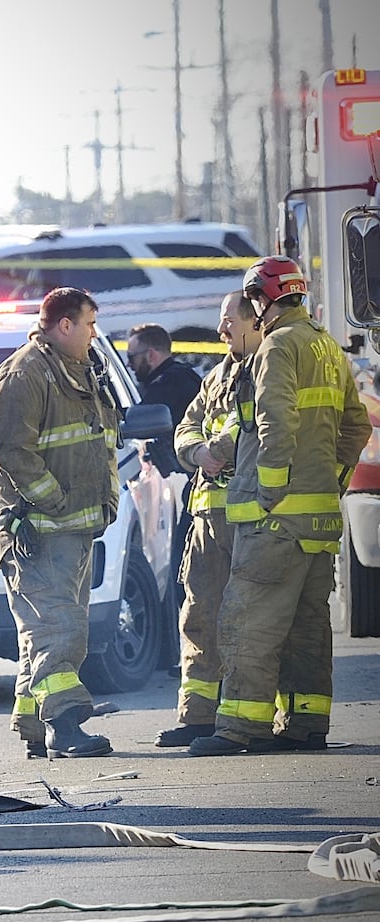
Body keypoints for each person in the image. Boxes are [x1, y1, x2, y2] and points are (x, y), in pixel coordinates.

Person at [189, 257, 369, 756]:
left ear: (261, 300)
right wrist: (331, 481)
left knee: (249, 619)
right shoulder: (328, 346)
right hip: (318, 518)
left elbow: (275, 423)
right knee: (308, 626)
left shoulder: (277, 346)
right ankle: (307, 724)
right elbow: (357, 427)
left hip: (276, 521)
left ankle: (237, 728)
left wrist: (268, 495)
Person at [0, 286, 118, 759]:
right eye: (89, 324)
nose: (93, 335)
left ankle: (32, 723)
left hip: (71, 531)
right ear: (64, 325)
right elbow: (11, 449)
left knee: (44, 630)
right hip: (37, 534)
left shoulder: (74, 370)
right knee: (57, 628)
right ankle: (65, 726)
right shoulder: (26, 373)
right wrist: (54, 502)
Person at [156, 292, 259, 746]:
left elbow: (257, 429)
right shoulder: (216, 376)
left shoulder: (267, 370)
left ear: (254, 322)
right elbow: (186, 426)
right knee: (198, 615)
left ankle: (244, 719)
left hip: (248, 518)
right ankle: (198, 716)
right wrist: (196, 451)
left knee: (245, 618)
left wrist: (217, 451)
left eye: (228, 321)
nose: (220, 331)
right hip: (206, 518)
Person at [127, 322, 202, 611]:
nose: (130, 365)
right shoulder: (181, 377)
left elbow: (141, 418)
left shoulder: (169, 385)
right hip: (188, 483)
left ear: (152, 354)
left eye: (133, 357)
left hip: (195, 482)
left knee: (185, 566)